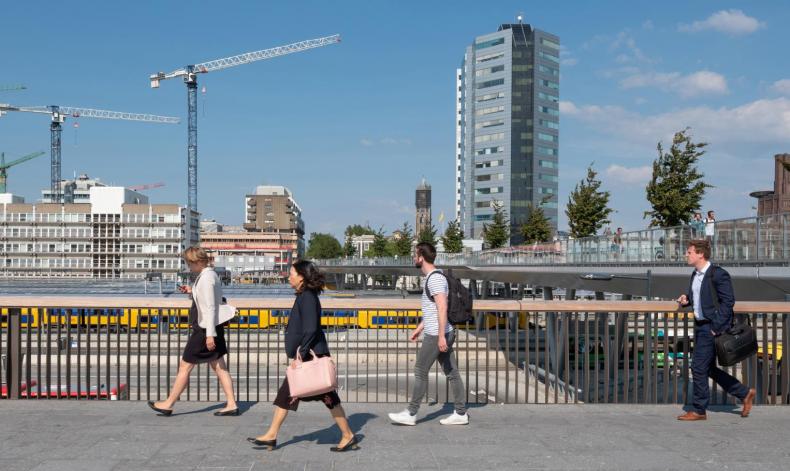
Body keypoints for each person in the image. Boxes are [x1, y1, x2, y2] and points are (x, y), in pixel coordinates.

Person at [247, 260, 357, 452]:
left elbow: (310, 328)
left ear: (302, 277)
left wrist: (301, 354)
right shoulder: (306, 295)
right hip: (311, 352)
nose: (289, 276)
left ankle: (346, 434)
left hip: (310, 354)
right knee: (318, 395)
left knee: (304, 394)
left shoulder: (307, 297)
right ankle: (272, 434)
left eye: (291, 273)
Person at [148, 247, 238, 416]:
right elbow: (209, 300)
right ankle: (232, 404)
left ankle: (168, 403)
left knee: (185, 365)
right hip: (211, 327)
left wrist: (210, 335)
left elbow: (211, 307)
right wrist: (191, 291)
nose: (189, 267)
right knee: (219, 367)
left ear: (196, 262)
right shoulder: (209, 276)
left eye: (189, 264)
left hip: (205, 329)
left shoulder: (206, 279)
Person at [389, 242, 468, 426]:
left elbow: (442, 307)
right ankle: (461, 413)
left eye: (415, 255)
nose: (413, 258)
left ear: (421, 257)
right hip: (440, 331)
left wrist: (440, 336)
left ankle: (411, 413)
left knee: (420, 371)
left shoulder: (434, 279)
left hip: (437, 335)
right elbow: (434, 309)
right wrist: (420, 327)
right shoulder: (435, 277)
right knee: (452, 372)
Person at [675, 240, 755, 421]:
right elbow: (700, 298)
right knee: (707, 368)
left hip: (710, 328)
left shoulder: (718, 274)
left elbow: (728, 302)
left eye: (689, 252)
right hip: (700, 326)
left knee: (697, 367)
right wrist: (686, 299)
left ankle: (699, 410)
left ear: (700, 254)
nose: (686, 255)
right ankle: (744, 393)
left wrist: (715, 328)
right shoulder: (695, 275)